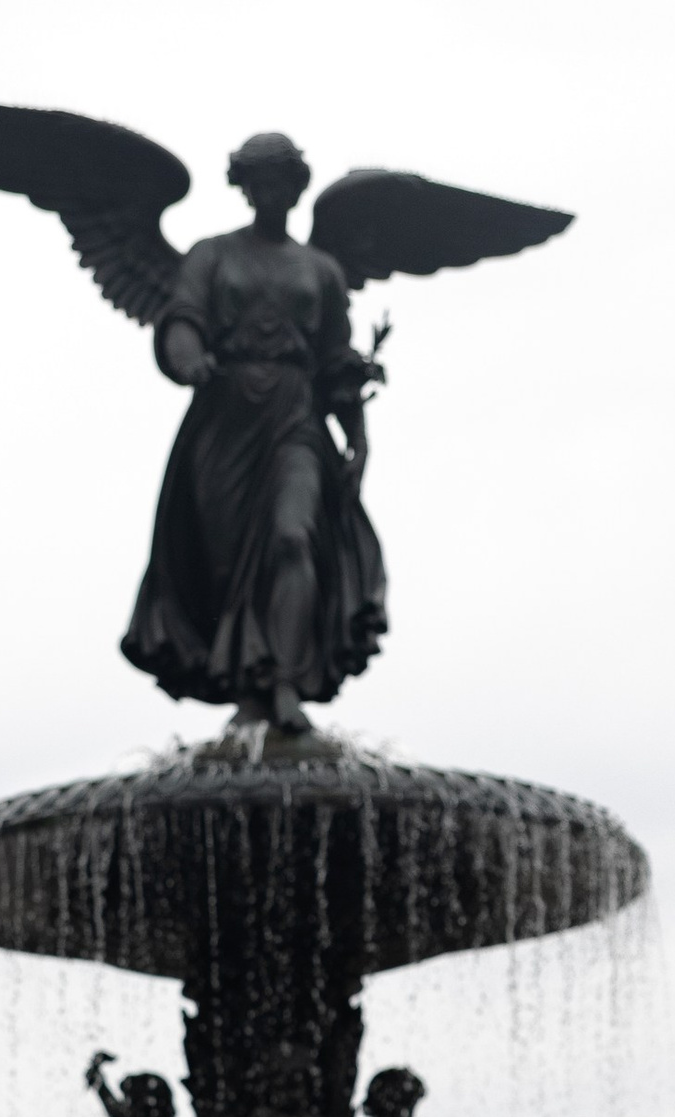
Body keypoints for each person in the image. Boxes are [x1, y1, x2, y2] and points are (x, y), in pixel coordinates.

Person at [122, 132, 387, 733]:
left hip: (295, 417)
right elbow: (180, 319)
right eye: (258, 181)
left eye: (281, 181)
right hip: (225, 418)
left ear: (296, 186)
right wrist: (188, 359)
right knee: (225, 564)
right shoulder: (211, 255)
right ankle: (246, 685)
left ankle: (284, 680)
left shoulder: (321, 271)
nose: (271, 193)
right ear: (244, 187)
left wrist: (359, 438)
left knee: (292, 538)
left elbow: (336, 362)